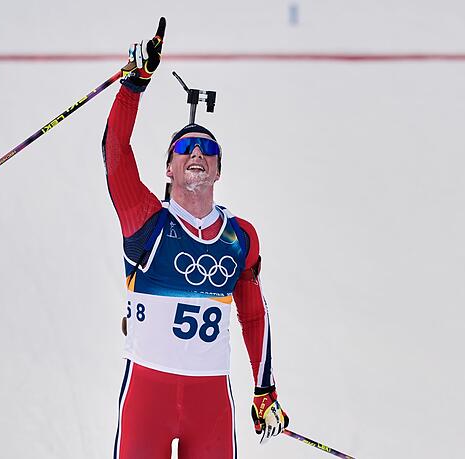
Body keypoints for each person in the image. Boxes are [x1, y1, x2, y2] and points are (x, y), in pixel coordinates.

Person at [102, 18, 289, 458]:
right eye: (185, 149)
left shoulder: (241, 238)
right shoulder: (145, 220)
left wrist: (265, 390)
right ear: (169, 170)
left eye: (208, 149)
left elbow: (254, 314)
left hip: (211, 404)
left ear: (219, 170)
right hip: (149, 396)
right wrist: (134, 85)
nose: (198, 153)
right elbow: (115, 151)